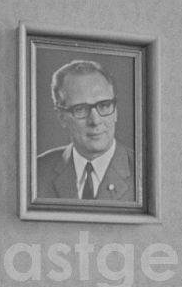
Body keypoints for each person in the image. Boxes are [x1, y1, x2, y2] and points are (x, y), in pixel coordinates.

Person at [37, 59, 135, 201]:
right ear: (61, 117)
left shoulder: (146, 173)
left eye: (104, 105)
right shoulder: (36, 172)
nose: (95, 121)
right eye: (80, 109)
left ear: (116, 112)